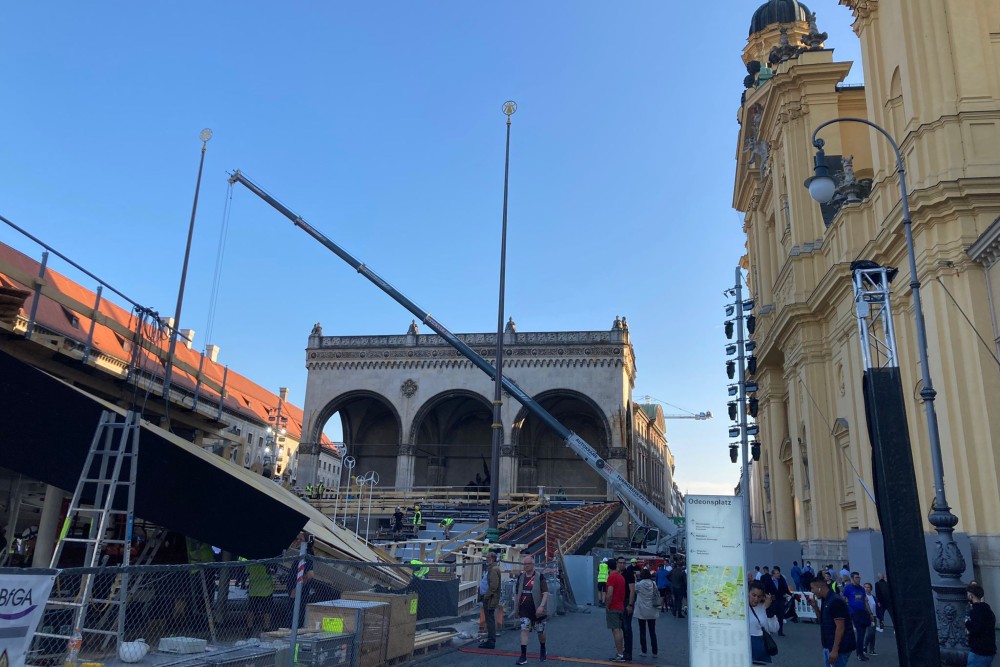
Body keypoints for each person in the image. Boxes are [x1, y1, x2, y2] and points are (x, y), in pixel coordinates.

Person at [809, 575, 856, 667]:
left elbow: (840, 627)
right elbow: (822, 621)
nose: (812, 591)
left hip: (840, 648)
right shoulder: (826, 600)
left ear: (819, 588)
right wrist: (815, 607)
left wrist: (835, 650)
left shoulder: (835, 601)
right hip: (829, 645)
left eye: (812, 588)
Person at [514, 555, 548, 665]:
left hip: (537, 609)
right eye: (524, 564)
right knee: (524, 630)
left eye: (528, 564)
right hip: (524, 609)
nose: (526, 566)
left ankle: (543, 648)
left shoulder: (540, 577)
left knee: (540, 632)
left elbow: (545, 593)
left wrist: (541, 606)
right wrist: (516, 609)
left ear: (532, 565)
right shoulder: (521, 577)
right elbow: (517, 593)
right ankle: (523, 656)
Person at [842, 571, 871, 661]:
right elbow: (843, 597)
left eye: (859, 577)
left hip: (863, 612)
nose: (858, 579)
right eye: (856, 578)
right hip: (855, 613)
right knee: (860, 633)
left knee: (863, 632)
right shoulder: (848, 588)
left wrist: (870, 613)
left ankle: (860, 652)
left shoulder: (862, 589)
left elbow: (865, 601)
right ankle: (859, 653)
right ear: (852, 579)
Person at [748, 580, 779, 664]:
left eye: (759, 596)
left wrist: (768, 609)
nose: (756, 599)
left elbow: (774, 628)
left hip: (762, 646)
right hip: (747, 645)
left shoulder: (764, 606)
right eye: (753, 595)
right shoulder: (743, 607)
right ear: (748, 593)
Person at [966, 583, 997, 666]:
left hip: (979, 651)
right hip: (989, 650)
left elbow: (975, 629)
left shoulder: (975, 611)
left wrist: (967, 623)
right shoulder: (988, 610)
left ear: (971, 595)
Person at [605, 555, 627, 661]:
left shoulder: (611, 577)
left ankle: (620, 654)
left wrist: (607, 605)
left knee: (616, 630)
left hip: (613, 606)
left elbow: (609, 593)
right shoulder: (621, 577)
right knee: (619, 630)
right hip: (620, 606)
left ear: (608, 567)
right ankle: (621, 652)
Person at [634, 569, 660, 657]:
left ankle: (644, 651)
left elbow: (635, 591)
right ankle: (655, 652)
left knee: (642, 631)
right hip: (652, 610)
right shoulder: (653, 584)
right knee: (652, 631)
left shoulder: (639, 584)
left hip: (641, 610)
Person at [479, 552, 502, 650]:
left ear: (492, 558)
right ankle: (490, 639)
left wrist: (486, 596)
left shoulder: (493, 570)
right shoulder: (492, 568)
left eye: (487, 557)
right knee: (489, 619)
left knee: (490, 619)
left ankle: (491, 641)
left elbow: (493, 586)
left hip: (489, 599)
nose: (486, 559)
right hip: (489, 598)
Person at [620, 557, 637, 661]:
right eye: (620, 563)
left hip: (626, 602)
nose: (621, 564)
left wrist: (630, 604)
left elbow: (632, 590)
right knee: (622, 627)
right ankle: (624, 651)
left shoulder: (628, 575)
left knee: (627, 628)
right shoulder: (618, 575)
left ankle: (628, 652)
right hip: (620, 603)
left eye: (623, 563)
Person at [771, 566, 792, 635]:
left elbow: (785, 588)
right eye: (776, 573)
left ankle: (780, 631)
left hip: (780, 600)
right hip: (773, 600)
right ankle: (771, 629)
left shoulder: (782, 579)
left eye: (778, 573)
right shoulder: (769, 580)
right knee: (771, 615)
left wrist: (790, 594)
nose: (778, 574)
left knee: (780, 616)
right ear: (773, 574)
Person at [863, 583, 877, 656]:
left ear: (871, 588)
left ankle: (872, 650)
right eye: (865, 587)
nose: (867, 588)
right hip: (868, 616)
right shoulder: (864, 597)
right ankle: (864, 646)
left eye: (868, 587)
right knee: (869, 633)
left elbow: (877, 607)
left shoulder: (873, 597)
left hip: (874, 616)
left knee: (873, 634)